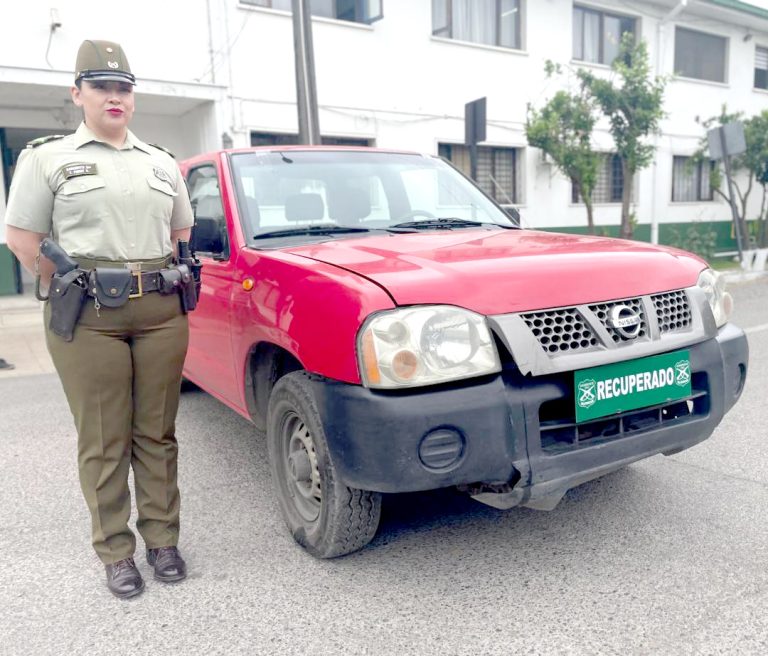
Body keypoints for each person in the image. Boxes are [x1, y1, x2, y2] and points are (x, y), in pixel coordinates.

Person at [4, 40, 195, 599]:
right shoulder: (47, 157)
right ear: (78, 94)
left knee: (157, 433)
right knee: (105, 437)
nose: (114, 96)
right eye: (101, 86)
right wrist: (66, 282)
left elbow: (180, 231)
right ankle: (116, 550)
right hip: (89, 314)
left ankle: (163, 540)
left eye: (123, 88)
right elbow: (21, 239)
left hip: (161, 311)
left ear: (132, 98)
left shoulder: (161, 162)